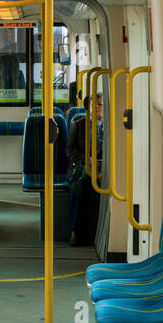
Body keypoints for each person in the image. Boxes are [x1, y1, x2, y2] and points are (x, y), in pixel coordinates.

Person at [65, 94, 103, 245]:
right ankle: (75, 230)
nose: (97, 108)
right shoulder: (79, 124)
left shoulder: (113, 126)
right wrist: (88, 160)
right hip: (82, 166)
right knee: (77, 188)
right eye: (94, 105)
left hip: (105, 167)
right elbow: (70, 149)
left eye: (100, 105)